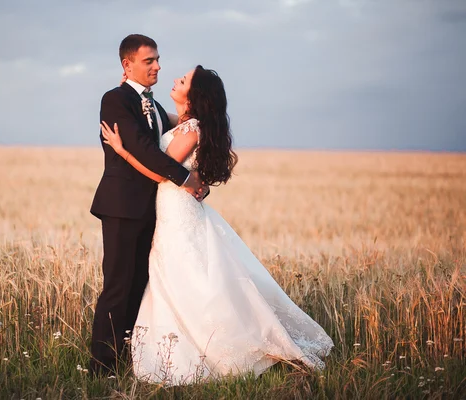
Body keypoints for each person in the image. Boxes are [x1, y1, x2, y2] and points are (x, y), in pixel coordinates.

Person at [100, 64, 334, 385]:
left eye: (183, 81)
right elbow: (153, 118)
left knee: (185, 277)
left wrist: (121, 150)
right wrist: (129, 92)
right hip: (171, 208)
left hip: (178, 211)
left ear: (193, 96)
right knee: (173, 276)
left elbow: (160, 172)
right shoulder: (181, 121)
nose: (175, 79)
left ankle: (206, 349)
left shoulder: (191, 127)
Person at [89, 34, 208, 376]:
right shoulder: (115, 100)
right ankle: (102, 367)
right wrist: (186, 181)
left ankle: (130, 359)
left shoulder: (154, 106)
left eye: (158, 59)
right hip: (122, 207)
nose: (157, 66)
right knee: (117, 287)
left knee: (139, 286)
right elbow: (142, 148)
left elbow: (189, 127)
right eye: (149, 61)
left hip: (154, 209)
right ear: (127, 65)